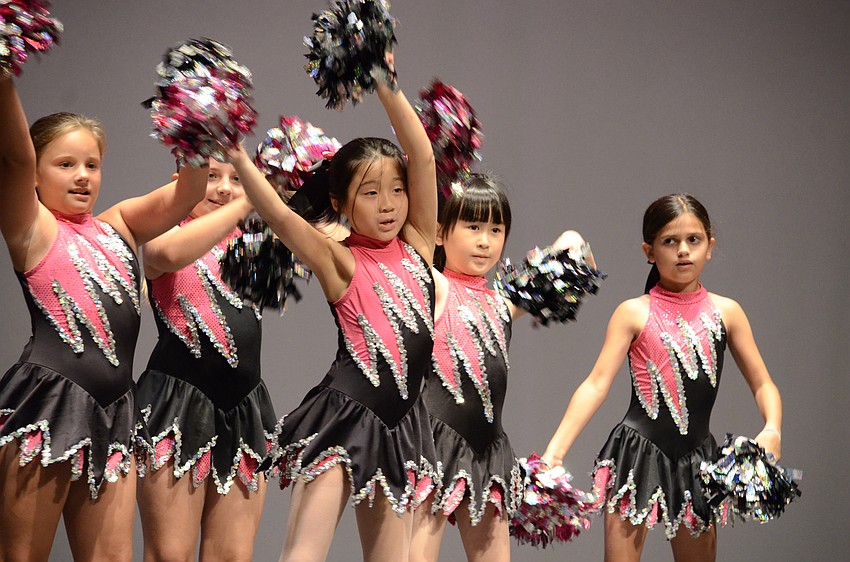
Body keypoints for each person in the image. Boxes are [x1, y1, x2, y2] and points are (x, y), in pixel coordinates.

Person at [228, 53, 439, 562]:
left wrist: (386, 81)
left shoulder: (419, 244)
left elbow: (424, 157)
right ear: (342, 204)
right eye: (370, 193)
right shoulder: (337, 259)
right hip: (345, 415)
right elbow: (278, 214)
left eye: (395, 190)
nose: (388, 203)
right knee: (304, 552)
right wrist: (235, 156)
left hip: (402, 423)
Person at [0, 76, 207, 561]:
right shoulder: (32, 226)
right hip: (47, 406)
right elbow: (13, 159)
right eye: (65, 164)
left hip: (115, 411)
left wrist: (200, 115)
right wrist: (5, 74)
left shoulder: (119, 226)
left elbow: (188, 192)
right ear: (35, 174)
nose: (82, 176)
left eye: (92, 165)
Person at [542, 194, 784, 562]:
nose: (683, 251)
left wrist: (773, 428)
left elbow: (763, 383)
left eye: (694, 240)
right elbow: (595, 384)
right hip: (635, 455)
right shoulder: (633, 313)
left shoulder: (728, 312)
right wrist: (555, 453)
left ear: (710, 247)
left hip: (698, 460)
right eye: (670, 241)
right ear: (649, 251)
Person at [409, 173, 595, 562]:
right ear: (441, 234)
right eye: (473, 227)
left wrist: (579, 242)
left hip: (488, 451)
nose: (485, 240)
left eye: (496, 229)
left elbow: (571, 243)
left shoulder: (502, 303)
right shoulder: (434, 286)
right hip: (432, 443)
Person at [135, 158, 278, 561]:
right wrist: (252, 198)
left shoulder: (255, 245)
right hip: (177, 408)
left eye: (236, 179)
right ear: (180, 181)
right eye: (211, 176)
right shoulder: (163, 234)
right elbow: (166, 254)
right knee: (170, 553)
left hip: (244, 408)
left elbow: (324, 232)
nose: (224, 188)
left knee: (232, 554)